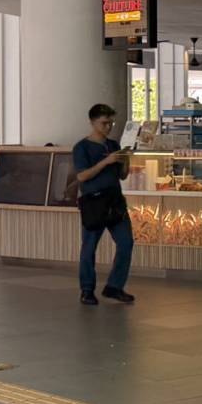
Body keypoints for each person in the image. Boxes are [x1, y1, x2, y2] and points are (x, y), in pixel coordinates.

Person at [73, 102, 135, 306]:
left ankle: (115, 286)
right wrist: (105, 162)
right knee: (89, 246)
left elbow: (122, 175)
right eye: (104, 123)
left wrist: (125, 160)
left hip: (114, 200)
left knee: (126, 242)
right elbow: (82, 176)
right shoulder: (82, 147)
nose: (108, 127)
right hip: (94, 201)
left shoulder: (113, 145)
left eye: (111, 123)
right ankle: (87, 289)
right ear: (92, 122)